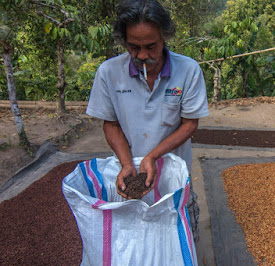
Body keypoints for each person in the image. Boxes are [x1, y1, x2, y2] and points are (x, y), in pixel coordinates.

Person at [86, 0, 209, 242]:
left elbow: (189, 124)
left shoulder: (188, 71)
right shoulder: (109, 73)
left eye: (151, 47)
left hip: (175, 175)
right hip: (131, 176)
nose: (142, 55)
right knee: (136, 241)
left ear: (165, 37)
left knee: (180, 238)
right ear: (124, 42)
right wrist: (126, 163)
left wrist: (152, 157)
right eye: (133, 47)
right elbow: (111, 124)